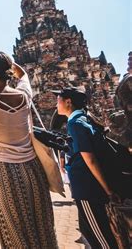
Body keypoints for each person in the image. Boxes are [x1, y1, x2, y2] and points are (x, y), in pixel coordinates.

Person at [0, 52, 58, 248]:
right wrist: (9, 63)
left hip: (4, 171)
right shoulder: (24, 96)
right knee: (42, 226)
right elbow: (23, 75)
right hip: (33, 169)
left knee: (14, 229)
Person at [55, 87, 119, 249]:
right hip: (90, 188)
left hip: (88, 189)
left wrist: (108, 190)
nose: (56, 103)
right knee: (92, 232)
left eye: (58, 99)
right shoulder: (83, 119)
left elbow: (89, 160)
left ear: (68, 102)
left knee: (98, 237)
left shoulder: (75, 122)